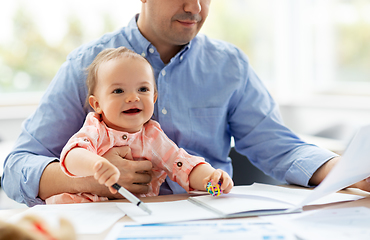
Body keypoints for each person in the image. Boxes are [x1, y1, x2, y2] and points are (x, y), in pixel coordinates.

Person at [2, 0, 370, 207]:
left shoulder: (229, 65)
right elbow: (16, 167)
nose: (194, 6)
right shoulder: (88, 65)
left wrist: (349, 171)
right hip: (109, 220)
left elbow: (279, 147)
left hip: (209, 221)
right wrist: (93, 178)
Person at [45, 47, 233, 204]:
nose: (133, 97)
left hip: (134, 214)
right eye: (118, 91)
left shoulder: (153, 137)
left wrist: (211, 180)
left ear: (153, 98)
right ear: (97, 105)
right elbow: (72, 154)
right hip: (82, 209)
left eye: (142, 89)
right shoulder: (96, 128)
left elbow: (182, 165)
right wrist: (96, 164)